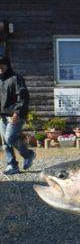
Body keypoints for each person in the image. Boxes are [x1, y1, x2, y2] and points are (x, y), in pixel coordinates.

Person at [0, 46, 35, 175]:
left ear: (7, 65)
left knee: (9, 138)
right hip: (2, 116)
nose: (0, 68)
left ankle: (28, 154)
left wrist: (17, 112)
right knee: (5, 142)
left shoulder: (16, 78)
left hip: (15, 115)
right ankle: (12, 166)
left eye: (1, 65)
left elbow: (24, 97)